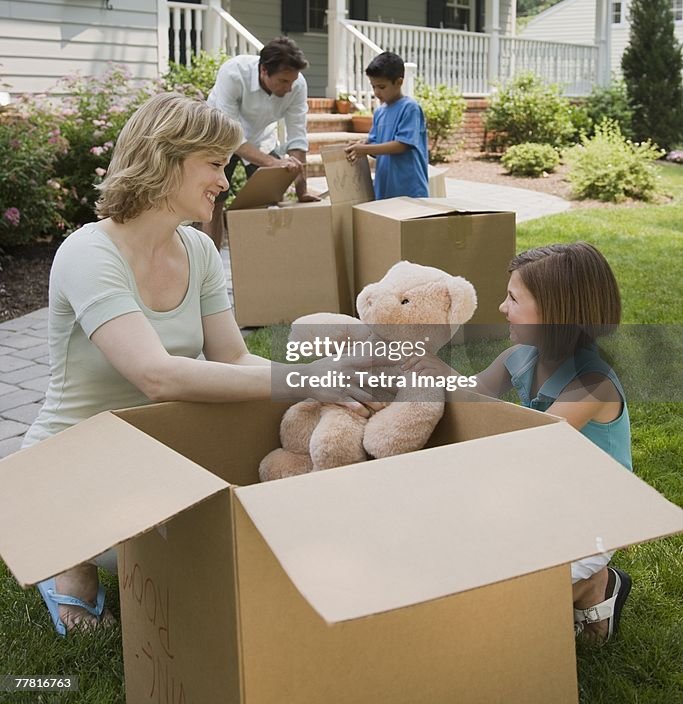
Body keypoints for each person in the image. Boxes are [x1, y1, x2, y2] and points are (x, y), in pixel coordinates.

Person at [22, 92, 370, 636]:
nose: (225, 180)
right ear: (165, 159)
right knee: (196, 554)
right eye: (214, 164)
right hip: (69, 462)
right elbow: (156, 376)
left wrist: (318, 386)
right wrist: (302, 379)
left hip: (157, 451)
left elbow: (231, 355)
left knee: (227, 549)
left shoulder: (200, 250)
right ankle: (70, 562)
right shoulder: (88, 254)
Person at [407, 241, 633, 644]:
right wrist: (438, 370)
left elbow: (528, 450)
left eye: (513, 298)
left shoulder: (590, 385)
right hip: (550, 497)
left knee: (503, 597)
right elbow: (475, 395)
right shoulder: (522, 355)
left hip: (593, 515)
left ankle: (594, 585)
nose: (501, 307)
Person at [204, 37, 319, 250]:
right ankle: (211, 268)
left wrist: (301, 189)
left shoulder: (296, 84)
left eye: (292, 81)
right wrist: (273, 163)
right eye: (284, 82)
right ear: (264, 71)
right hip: (219, 137)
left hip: (262, 138)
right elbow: (232, 136)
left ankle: (264, 263)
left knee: (268, 200)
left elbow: (297, 135)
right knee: (213, 204)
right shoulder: (233, 73)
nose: (289, 87)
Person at [344, 51, 429, 199]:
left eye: (382, 87)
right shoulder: (380, 112)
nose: (376, 92)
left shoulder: (410, 108)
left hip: (409, 188)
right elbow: (376, 145)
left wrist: (365, 149)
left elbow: (402, 145)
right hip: (385, 188)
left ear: (399, 82)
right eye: (373, 86)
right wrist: (363, 145)